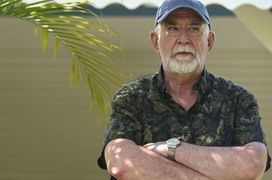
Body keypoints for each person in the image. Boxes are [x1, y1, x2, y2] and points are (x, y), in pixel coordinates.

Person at [97, 0, 271, 179]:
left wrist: (171, 149)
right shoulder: (131, 98)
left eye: (194, 29)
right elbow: (120, 162)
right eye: (172, 28)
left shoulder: (238, 100)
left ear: (209, 42)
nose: (184, 39)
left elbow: (253, 165)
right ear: (156, 41)